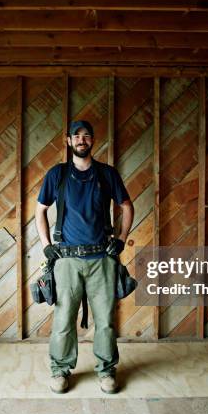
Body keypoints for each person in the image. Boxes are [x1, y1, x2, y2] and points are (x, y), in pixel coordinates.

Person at [35, 120, 134, 394]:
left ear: (93, 141)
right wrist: (46, 246)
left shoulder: (107, 174)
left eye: (87, 135)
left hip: (102, 258)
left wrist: (122, 239)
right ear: (68, 141)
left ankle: (106, 371)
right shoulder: (57, 175)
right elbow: (39, 210)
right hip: (66, 260)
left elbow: (127, 206)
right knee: (64, 319)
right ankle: (60, 371)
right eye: (76, 136)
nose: (82, 140)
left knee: (105, 320)